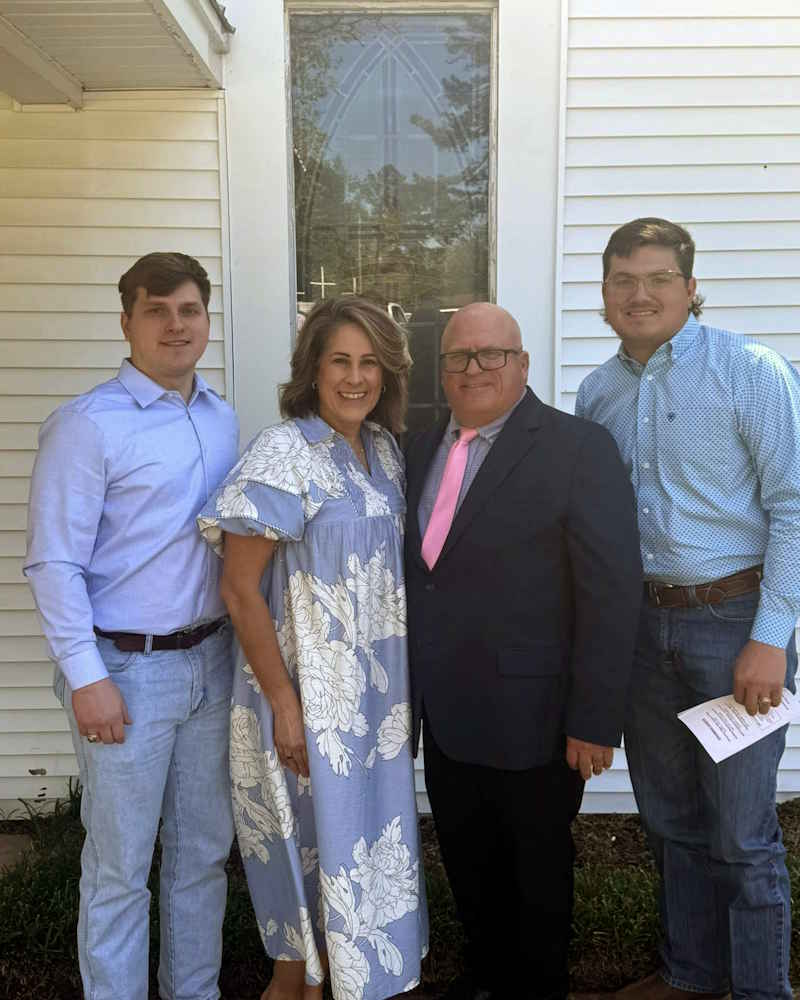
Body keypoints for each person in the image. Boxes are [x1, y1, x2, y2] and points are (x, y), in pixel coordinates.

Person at [575, 218, 800, 1000]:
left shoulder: (750, 371)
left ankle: (762, 989)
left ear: (691, 288)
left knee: (741, 833)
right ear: (604, 295)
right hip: (642, 631)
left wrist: (771, 637)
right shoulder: (597, 392)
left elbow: (795, 507)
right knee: (670, 824)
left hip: (732, 625)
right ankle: (692, 977)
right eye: (624, 280)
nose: (641, 294)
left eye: (659, 278)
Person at [404, 302, 642, 1000]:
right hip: (445, 712)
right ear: (441, 369)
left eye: (491, 354)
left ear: (522, 364)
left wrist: (594, 720)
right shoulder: (419, 448)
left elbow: (612, 590)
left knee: (536, 876)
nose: (473, 368)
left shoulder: (577, 448)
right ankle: (485, 979)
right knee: (469, 866)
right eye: (458, 357)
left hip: (535, 718)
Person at [198, 296, 428, 1000]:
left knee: (363, 847)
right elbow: (239, 589)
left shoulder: (384, 452)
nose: (355, 378)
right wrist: (284, 704)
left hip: (375, 702)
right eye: (340, 362)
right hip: (303, 695)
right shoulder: (282, 454)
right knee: (302, 885)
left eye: (370, 364)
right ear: (312, 370)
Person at [24, 252, 239, 1000]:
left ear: (207, 320)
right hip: (125, 672)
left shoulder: (221, 417)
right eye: (157, 310)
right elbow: (53, 563)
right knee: (119, 867)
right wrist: (88, 678)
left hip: (212, 663)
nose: (175, 326)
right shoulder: (86, 426)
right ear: (127, 322)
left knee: (202, 856)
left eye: (189, 310)